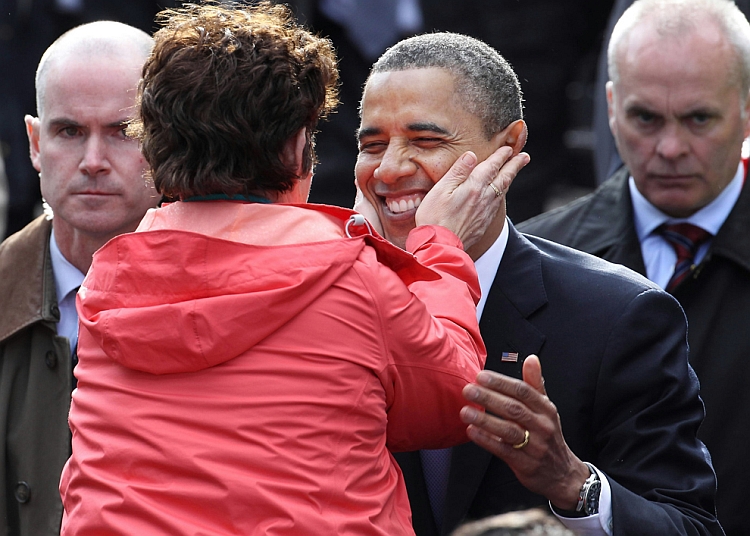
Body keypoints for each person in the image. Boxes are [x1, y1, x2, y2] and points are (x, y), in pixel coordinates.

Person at [58, 4, 529, 535]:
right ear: (294, 146)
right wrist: (439, 246)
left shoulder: (105, 279)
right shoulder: (352, 279)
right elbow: (457, 396)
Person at [355, 32, 723, 535]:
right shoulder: (332, 306)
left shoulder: (618, 315)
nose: (390, 169)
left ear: (508, 147)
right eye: (372, 145)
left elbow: (690, 525)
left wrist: (571, 482)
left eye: (426, 141)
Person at [519, 1, 750, 533]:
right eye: (646, 118)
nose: (669, 148)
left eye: (698, 119)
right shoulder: (535, 260)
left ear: (746, 108)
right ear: (611, 106)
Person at [0, 21, 157, 536]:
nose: (93, 162)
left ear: (170, 141)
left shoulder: (232, 302)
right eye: (69, 132)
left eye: (123, 132)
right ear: (34, 143)